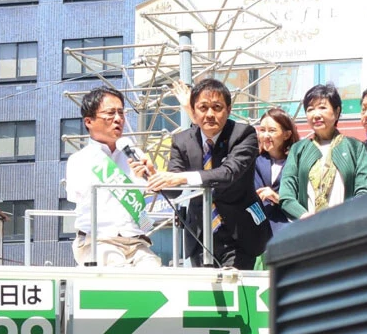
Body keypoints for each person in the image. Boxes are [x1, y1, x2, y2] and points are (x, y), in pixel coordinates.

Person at [142, 79, 270, 269]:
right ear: (193, 112)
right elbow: (174, 191)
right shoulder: (182, 141)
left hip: (240, 234)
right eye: (203, 108)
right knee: (204, 289)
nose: (210, 114)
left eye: (217, 107)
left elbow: (228, 174)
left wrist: (183, 177)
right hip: (199, 235)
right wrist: (154, 176)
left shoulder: (244, 134)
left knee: (234, 286)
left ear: (228, 109)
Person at [64, 86, 161, 268]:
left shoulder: (135, 155)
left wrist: (151, 177)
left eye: (121, 113)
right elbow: (78, 198)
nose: (118, 119)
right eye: (110, 113)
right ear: (89, 121)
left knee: (153, 269)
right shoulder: (79, 159)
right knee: (114, 266)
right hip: (98, 239)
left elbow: (152, 196)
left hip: (135, 240)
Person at [280, 83, 367, 219]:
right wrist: (304, 216)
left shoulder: (355, 147)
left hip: (345, 225)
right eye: (310, 109)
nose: (316, 115)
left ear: (336, 112)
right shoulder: (298, 150)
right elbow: (286, 196)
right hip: (308, 226)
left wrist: (345, 216)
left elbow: (365, 190)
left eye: (322, 108)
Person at [253, 107, 297, 236]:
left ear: (287, 134)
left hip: (290, 230)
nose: (266, 136)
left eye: (272, 130)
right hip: (259, 231)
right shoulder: (254, 162)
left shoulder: (297, 162)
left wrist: (277, 198)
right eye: (262, 130)